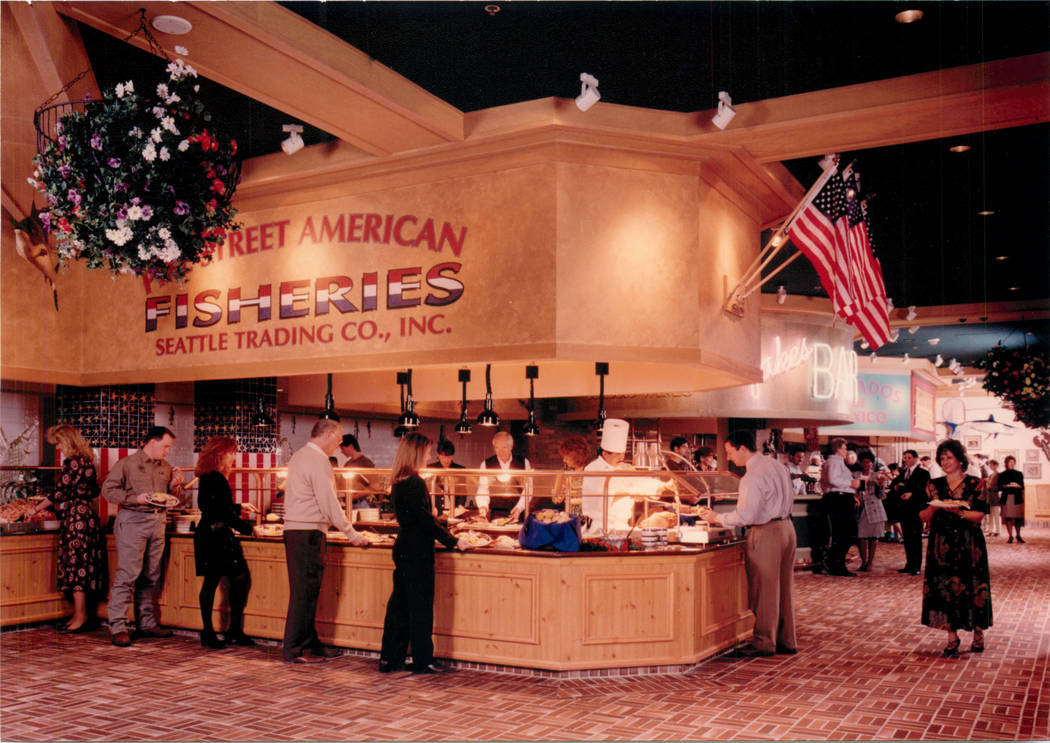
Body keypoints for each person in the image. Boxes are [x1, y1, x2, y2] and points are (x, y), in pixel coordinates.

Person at [698, 430, 796, 657]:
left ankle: (764, 642)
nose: (729, 458)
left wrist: (715, 517)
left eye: (730, 452)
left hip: (766, 532)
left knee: (765, 590)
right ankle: (786, 640)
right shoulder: (777, 466)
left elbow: (746, 516)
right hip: (787, 529)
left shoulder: (752, 476)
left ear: (742, 448)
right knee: (784, 587)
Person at [379, 432, 470, 674]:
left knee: (399, 605)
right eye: (427, 452)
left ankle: (390, 658)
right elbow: (423, 521)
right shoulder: (415, 482)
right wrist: (453, 541)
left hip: (403, 548)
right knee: (420, 607)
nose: (429, 456)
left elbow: (418, 516)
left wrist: (438, 521)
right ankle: (423, 660)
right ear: (417, 453)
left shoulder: (399, 480)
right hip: (417, 551)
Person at [282, 419, 369, 664]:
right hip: (308, 533)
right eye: (338, 438)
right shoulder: (318, 460)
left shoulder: (300, 455)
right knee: (304, 594)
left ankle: (312, 644)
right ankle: (294, 651)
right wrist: (351, 533)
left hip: (296, 532)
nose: (339, 444)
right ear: (329, 434)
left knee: (305, 592)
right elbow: (329, 502)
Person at [101, 426, 184, 647]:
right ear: (151, 442)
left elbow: (166, 497)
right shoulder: (126, 464)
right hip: (132, 521)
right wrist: (135, 499)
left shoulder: (165, 467)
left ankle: (146, 623)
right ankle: (118, 625)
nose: (167, 451)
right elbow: (108, 491)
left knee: (151, 575)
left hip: (158, 522)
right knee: (128, 574)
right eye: (165, 446)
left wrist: (175, 486)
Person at [26, 425, 104, 633]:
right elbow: (93, 490)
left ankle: (80, 616)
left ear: (67, 441)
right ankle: (79, 614)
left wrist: (35, 509)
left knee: (77, 566)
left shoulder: (73, 462)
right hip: (88, 515)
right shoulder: (87, 461)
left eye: (59, 443)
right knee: (84, 566)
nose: (59, 448)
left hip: (76, 518)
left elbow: (59, 493)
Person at [918, 439, 992, 657]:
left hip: (969, 543)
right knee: (944, 589)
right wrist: (933, 507)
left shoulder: (976, 484)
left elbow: (978, 516)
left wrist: (958, 511)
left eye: (949, 457)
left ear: (960, 459)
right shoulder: (933, 485)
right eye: (942, 458)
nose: (945, 462)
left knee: (973, 585)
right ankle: (952, 637)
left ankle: (978, 632)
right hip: (941, 544)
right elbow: (923, 517)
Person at [193, 436, 255, 649]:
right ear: (221, 454)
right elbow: (222, 512)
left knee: (217, 582)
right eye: (232, 453)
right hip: (216, 536)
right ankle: (225, 632)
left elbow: (216, 506)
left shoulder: (207, 477)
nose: (234, 457)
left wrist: (238, 507)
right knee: (238, 579)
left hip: (208, 535)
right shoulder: (217, 479)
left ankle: (213, 632)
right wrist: (249, 529)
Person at [581, 419, 635, 531]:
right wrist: (632, 491)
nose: (622, 458)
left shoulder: (622, 467)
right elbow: (605, 494)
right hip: (600, 526)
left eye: (623, 454)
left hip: (623, 525)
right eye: (618, 455)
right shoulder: (592, 469)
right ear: (605, 453)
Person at [819, 437, 861, 576]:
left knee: (845, 533)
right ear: (838, 449)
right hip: (839, 499)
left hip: (841, 498)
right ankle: (835, 563)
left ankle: (835, 562)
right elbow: (833, 479)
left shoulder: (837, 462)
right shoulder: (834, 462)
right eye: (844, 448)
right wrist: (850, 484)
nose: (846, 451)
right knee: (845, 533)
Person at [889, 449, 931, 575]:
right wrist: (896, 487)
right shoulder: (904, 473)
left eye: (909, 458)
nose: (906, 460)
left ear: (915, 459)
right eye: (905, 458)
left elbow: (925, 491)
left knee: (915, 538)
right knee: (907, 537)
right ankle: (909, 564)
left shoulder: (923, 473)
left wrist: (912, 494)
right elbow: (894, 484)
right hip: (904, 509)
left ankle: (916, 565)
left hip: (916, 509)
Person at [476, 431, 532, 520]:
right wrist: (483, 506)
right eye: (497, 448)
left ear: (511, 446)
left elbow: (528, 490)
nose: (500, 451)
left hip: (518, 512)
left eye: (504, 447)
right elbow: (483, 489)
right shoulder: (486, 464)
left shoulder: (524, 462)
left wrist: (519, 507)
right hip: (495, 513)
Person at [854, 451, 887, 571]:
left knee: (874, 538)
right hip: (862, 509)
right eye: (863, 462)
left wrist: (880, 485)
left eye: (868, 462)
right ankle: (863, 561)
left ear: (872, 463)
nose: (866, 464)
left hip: (875, 509)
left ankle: (870, 562)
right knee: (861, 536)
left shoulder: (877, 476)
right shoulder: (856, 475)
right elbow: (854, 490)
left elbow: (882, 495)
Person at [338, 434, 377, 510]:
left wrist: (356, 496)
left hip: (361, 503)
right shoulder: (347, 464)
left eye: (343, 448)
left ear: (351, 446)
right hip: (350, 503)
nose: (341, 452)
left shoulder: (366, 462)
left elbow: (374, 486)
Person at [427, 439, 465, 515]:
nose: (446, 460)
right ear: (438, 455)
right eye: (443, 457)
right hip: (436, 513)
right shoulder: (430, 469)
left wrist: (460, 506)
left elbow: (463, 493)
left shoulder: (460, 470)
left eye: (449, 457)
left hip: (455, 512)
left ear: (452, 456)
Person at [998, 455, 1025, 543]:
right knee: (1008, 518)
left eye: (1013, 463)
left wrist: (1016, 486)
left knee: (1018, 518)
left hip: (1017, 497)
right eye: (1010, 462)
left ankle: (1018, 535)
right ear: (1006, 463)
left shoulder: (1019, 473)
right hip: (1007, 497)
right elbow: (1000, 487)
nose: (1012, 464)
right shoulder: (1002, 474)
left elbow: (1022, 486)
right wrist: (1006, 486)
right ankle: (1010, 536)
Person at [984, 459, 1001, 537]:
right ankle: (991, 530)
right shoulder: (991, 475)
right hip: (989, 497)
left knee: (996, 514)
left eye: (991, 465)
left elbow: (1000, 486)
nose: (990, 466)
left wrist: (991, 487)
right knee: (990, 515)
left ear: (996, 465)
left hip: (995, 496)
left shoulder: (999, 475)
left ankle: (998, 530)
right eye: (989, 465)